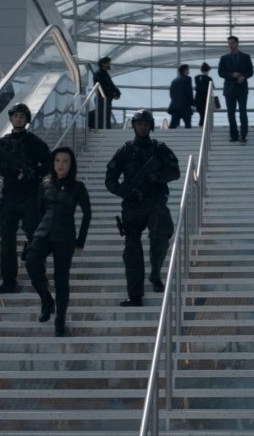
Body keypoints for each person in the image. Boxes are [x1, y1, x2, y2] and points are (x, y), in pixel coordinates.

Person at [105, 109, 180, 307]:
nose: (143, 127)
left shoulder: (160, 149)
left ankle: (155, 273)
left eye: (146, 124)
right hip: (132, 207)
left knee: (161, 239)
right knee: (132, 252)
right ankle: (135, 295)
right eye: (139, 123)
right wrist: (126, 192)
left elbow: (175, 171)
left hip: (155, 202)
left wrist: (156, 177)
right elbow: (110, 180)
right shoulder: (125, 150)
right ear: (134, 125)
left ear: (151, 126)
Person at [0, 103, 51, 294]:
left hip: (30, 195)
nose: (18, 119)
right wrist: (6, 169)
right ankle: (8, 281)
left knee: (34, 238)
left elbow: (48, 163)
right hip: (9, 195)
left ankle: (39, 278)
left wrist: (33, 174)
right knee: (7, 240)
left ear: (27, 119)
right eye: (15, 116)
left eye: (22, 116)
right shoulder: (2, 143)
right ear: (11, 118)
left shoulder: (35, 142)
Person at [25, 147, 91, 337]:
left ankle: (60, 319)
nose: (61, 165)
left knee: (61, 278)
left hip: (65, 235)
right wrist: (34, 234)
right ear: (52, 163)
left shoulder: (78, 187)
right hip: (43, 232)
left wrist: (81, 239)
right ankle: (46, 300)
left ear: (71, 165)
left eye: (65, 161)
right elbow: (39, 210)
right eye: (58, 161)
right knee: (31, 262)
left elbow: (87, 213)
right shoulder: (44, 184)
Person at [218, 36, 254, 143]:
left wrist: (244, 77)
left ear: (237, 43)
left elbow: (250, 71)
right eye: (229, 43)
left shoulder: (246, 57)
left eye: (232, 43)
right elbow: (221, 72)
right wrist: (232, 75)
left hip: (242, 88)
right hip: (230, 89)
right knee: (231, 113)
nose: (230, 45)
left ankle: (243, 134)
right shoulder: (224, 58)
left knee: (243, 111)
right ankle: (234, 135)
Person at [94, 56, 121, 129]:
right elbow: (102, 88)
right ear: (103, 64)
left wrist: (117, 92)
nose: (109, 65)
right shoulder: (98, 74)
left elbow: (111, 85)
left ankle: (105, 129)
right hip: (102, 99)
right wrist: (113, 93)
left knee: (106, 116)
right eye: (108, 63)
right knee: (102, 117)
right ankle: (102, 130)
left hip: (106, 99)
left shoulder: (105, 74)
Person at [168, 64, 194, 129]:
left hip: (175, 106)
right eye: (188, 70)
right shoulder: (188, 79)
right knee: (188, 124)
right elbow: (189, 92)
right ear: (185, 70)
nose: (189, 71)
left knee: (173, 124)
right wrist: (193, 103)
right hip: (185, 106)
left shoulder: (174, 81)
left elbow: (171, 94)